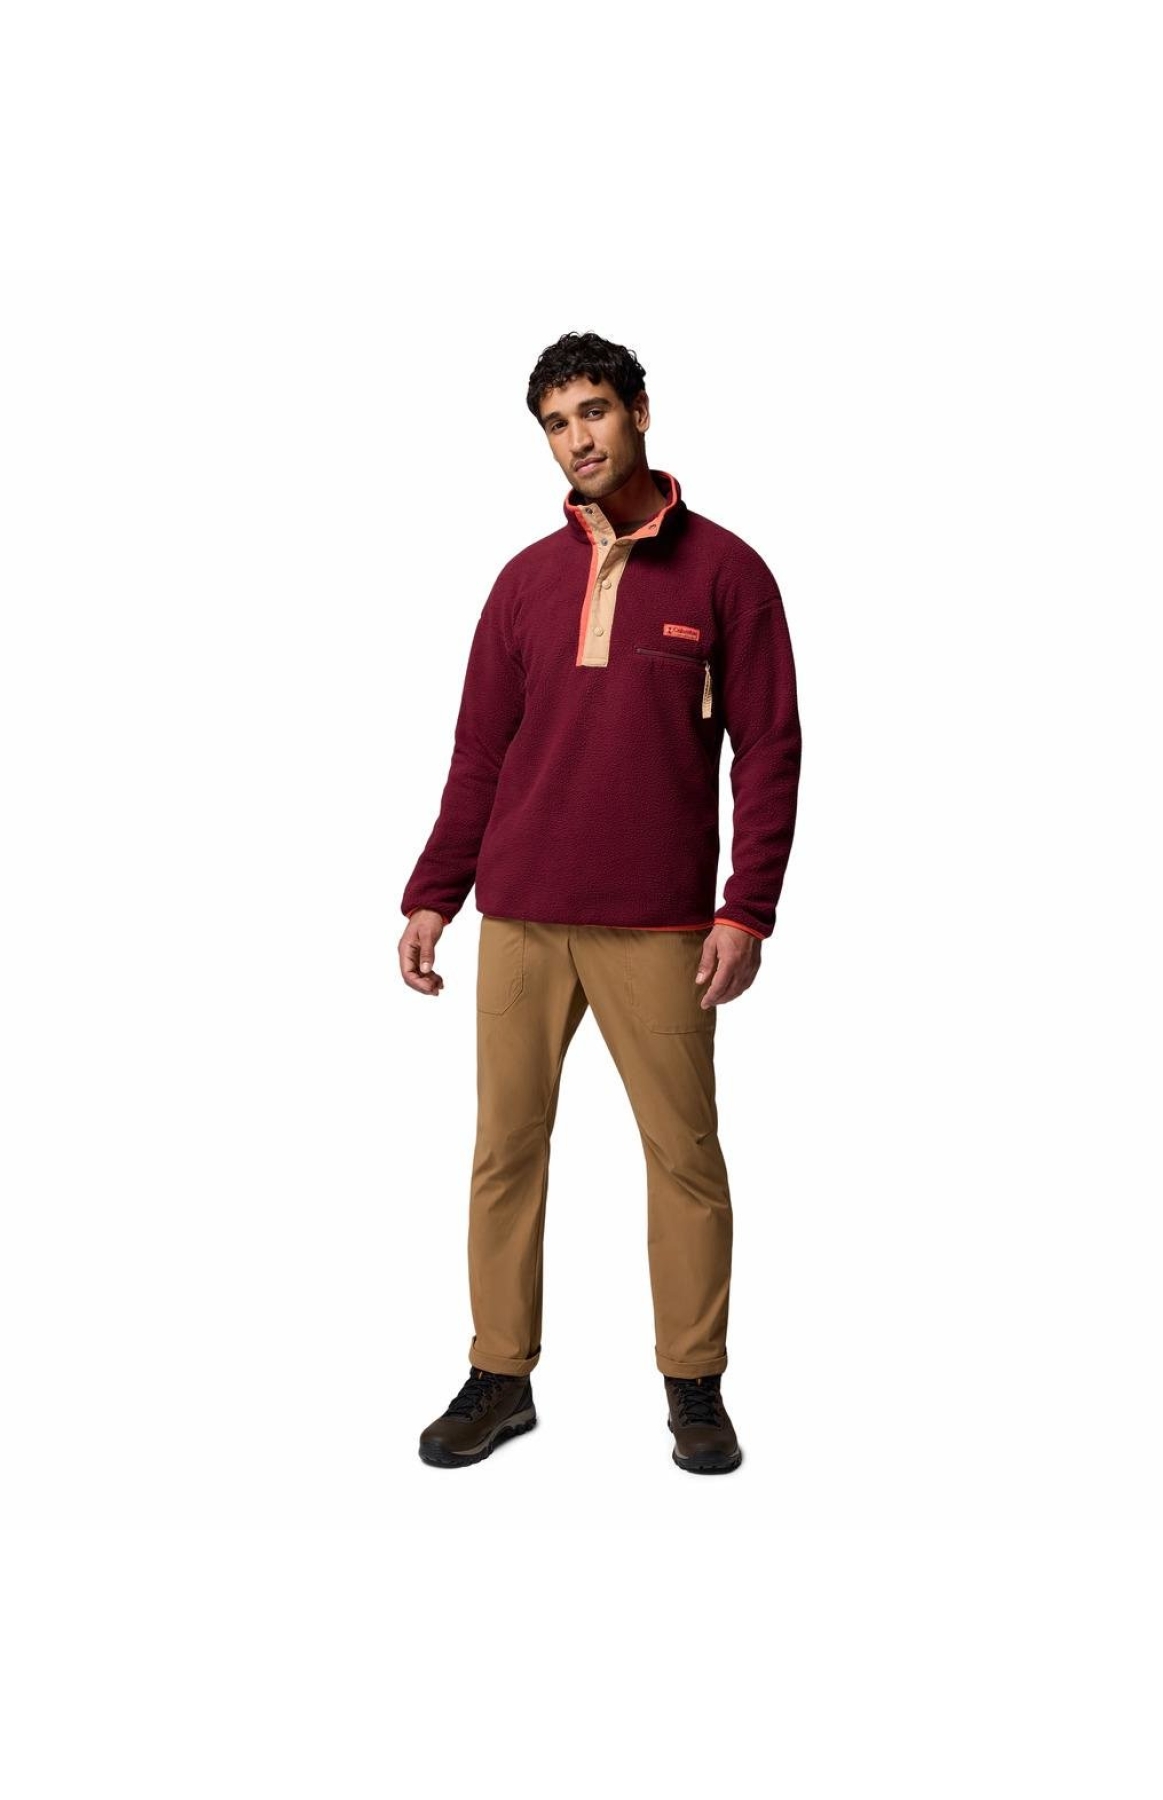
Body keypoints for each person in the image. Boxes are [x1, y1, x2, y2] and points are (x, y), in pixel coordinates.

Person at [397, 330, 802, 1474]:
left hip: (662, 925)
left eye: (594, 411)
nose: (577, 438)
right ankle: (499, 1374)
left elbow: (771, 748)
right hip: (521, 917)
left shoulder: (727, 573)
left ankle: (695, 1384)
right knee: (504, 1151)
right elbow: (479, 755)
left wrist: (747, 909)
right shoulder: (524, 582)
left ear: (640, 412)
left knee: (685, 1156)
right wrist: (434, 895)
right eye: (556, 423)